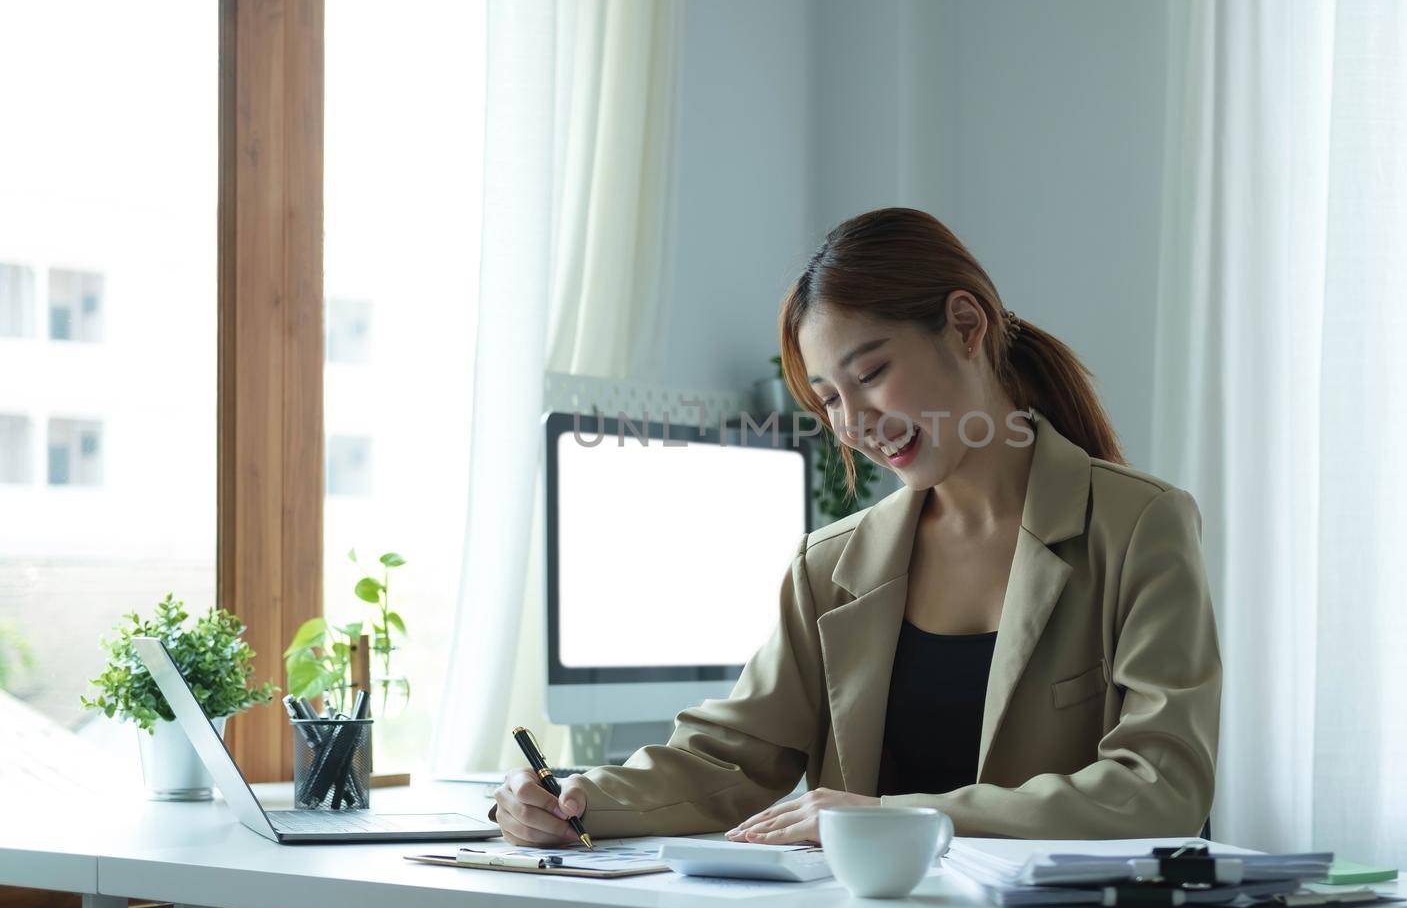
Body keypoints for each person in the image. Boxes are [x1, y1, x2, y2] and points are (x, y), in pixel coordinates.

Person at [493, 207, 1221, 846]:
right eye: (829, 399)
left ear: (966, 326)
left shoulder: (1138, 526)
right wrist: (576, 799)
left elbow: (1162, 787)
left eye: (870, 374)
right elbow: (730, 757)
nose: (854, 424)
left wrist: (895, 815)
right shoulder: (829, 565)